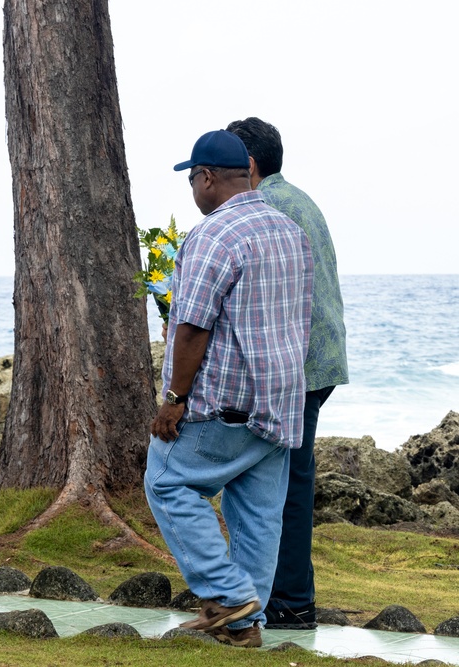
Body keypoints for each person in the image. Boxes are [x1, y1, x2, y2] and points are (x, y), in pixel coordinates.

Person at [144, 129, 314, 648]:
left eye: (192, 179)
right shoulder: (290, 230)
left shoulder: (214, 235)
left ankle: (227, 592)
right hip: (282, 399)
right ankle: (243, 627)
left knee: (168, 482)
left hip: (226, 403)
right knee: (258, 514)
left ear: (208, 177)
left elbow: (192, 326)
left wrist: (173, 400)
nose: (193, 191)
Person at [226, 117, 349, 629]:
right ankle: (278, 596)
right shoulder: (298, 199)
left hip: (295, 367)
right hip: (316, 362)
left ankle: (290, 601)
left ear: (248, 165)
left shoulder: (266, 208)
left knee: (285, 486)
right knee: (285, 480)